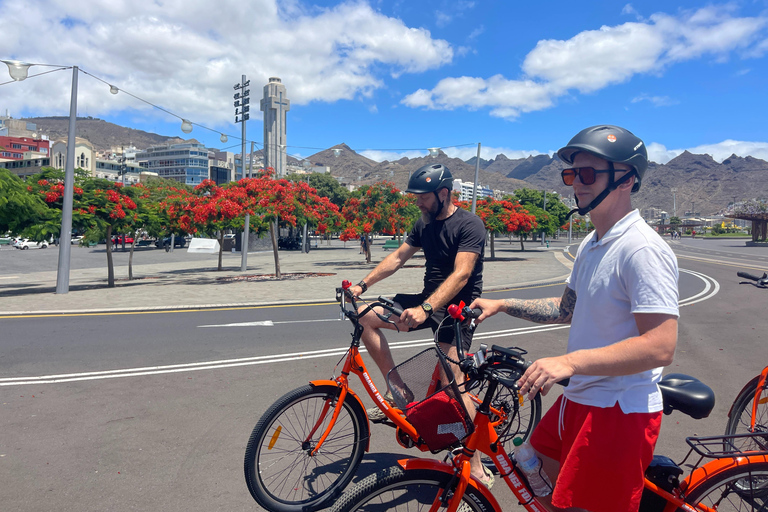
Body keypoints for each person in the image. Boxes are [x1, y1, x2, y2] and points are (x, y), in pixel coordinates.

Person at [470, 125, 679, 512]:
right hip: (579, 398)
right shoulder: (592, 243)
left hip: (617, 412)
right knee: (536, 480)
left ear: (626, 179)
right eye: (571, 174)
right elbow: (567, 308)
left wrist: (569, 362)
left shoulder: (642, 249)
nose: (576, 184)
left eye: (587, 174)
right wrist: (502, 304)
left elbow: (660, 346)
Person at [349, 163, 491, 486]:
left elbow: (462, 274)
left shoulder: (470, 224)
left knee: (452, 384)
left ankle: (477, 468)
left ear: (443, 194)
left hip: (457, 310)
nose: (418, 203)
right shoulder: (423, 223)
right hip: (427, 301)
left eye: (423, 197)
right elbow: (397, 258)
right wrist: (362, 285)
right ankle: (398, 389)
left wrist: (427, 309)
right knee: (365, 315)